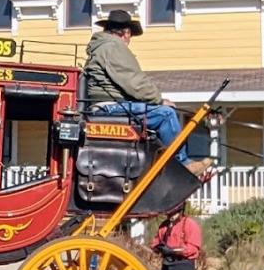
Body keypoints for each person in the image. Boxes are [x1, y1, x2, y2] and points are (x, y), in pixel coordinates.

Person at [83, 10, 214, 178]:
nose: (129, 41)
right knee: (166, 115)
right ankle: (183, 164)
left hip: (106, 105)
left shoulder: (102, 47)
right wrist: (158, 100)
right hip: (110, 107)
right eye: (130, 36)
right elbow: (134, 82)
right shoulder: (113, 47)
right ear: (126, 33)